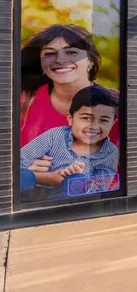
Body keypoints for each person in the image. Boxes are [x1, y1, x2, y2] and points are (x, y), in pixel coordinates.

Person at [20, 24, 120, 178]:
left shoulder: (118, 103)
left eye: (72, 52)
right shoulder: (22, 101)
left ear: (90, 60)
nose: (60, 59)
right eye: (49, 53)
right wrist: (23, 171)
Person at [20, 85, 120, 200]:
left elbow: (99, 188)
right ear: (70, 119)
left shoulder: (110, 152)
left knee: (78, 180)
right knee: (23, 174)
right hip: (32, 194)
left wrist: (76, 177)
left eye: (103, 120)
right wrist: (48, 178)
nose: (93, 126)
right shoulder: (55, 135)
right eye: (86, 118)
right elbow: (20, 161)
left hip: (65, 201)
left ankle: (55, 208)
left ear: (112, 123)